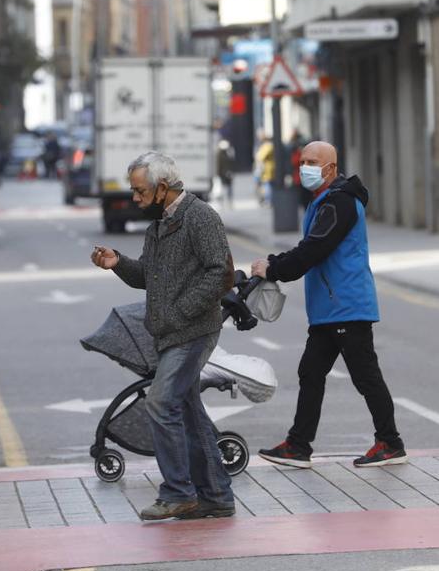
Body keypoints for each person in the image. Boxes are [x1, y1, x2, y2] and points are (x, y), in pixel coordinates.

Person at [91, 151, 236, 521]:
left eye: (139, 192)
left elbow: (221, 274)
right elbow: (148, 277)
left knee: (160, 403)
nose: (134, 199)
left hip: (194, 331)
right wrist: (118, 263)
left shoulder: (200, 217)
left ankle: (178, 492)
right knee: (188, 412)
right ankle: (217, 496)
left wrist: (180, 311)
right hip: (170, 333)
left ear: (162, 188)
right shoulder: (159, 226)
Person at [251, 141, 406, 469]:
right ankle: (298, 446)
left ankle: (390, 443)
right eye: (302, 161)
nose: (304, 167)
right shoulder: (324, 202)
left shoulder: (340, 203)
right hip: (329, 309)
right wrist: (275, 261)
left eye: (313, 162)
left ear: (331, 169)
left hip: (347, 306)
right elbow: (310, 246)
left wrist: (274, 268)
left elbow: (314, 250)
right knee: (310, 372)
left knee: (365, 376)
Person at [254, 133, 275, 206]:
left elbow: (260, 157)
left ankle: (268, 200)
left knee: (267, 185)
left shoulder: (267, 146)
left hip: (266, 169)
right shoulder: (269, 146)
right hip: (268, 169)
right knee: (267, 185)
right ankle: (267, 200)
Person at [215, 139, 234, 208]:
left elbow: (218, 165)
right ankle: (228, 202)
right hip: (227, 173)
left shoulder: (219, 154)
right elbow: (232, 164)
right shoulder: (229, 153)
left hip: (223, 174)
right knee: (228, 188)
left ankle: (224, 203)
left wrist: (217, 173)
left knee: (223, 189)